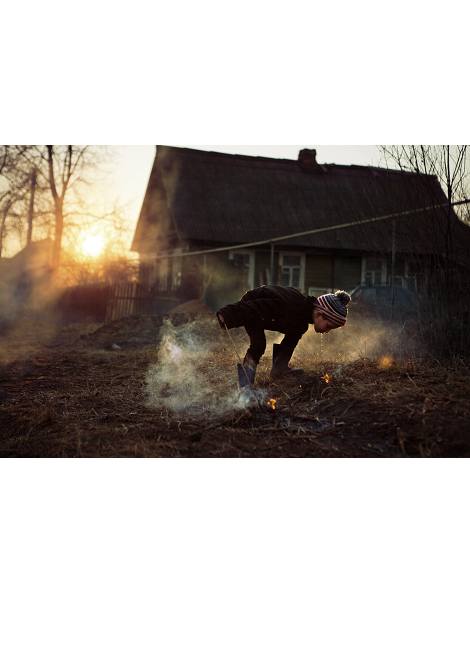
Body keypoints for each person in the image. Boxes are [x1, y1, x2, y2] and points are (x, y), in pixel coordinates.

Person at [216, 285, 351, 387]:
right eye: (328, 326)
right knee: (258, 345)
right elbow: (254, 307)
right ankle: (245, 385)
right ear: (319, 314)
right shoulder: (287, 308)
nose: (326, 331)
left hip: (269, 312)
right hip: (253, 307)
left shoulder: (302, 316)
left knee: (297, 331)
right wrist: (229, 313)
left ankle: (279, 367)